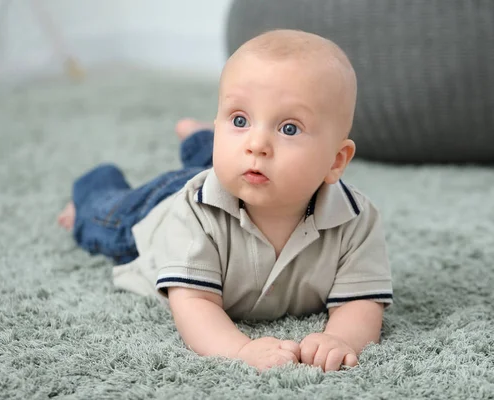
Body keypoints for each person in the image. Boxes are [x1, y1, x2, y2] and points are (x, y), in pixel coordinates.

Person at [57, 29, 393, 372]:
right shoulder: (195, 211)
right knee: (102, 217)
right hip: (158, 206)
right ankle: (99, 183)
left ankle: (201, 138)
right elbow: (194, 302)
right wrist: (241, 349)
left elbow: (362, 301)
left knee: (239, 161)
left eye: (289, 128)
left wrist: (341, 339)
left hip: (236, 174)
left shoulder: (355, 221)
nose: (257, 142)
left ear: (336, 161)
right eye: (240, 119)